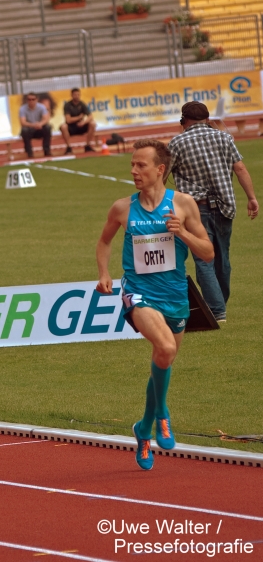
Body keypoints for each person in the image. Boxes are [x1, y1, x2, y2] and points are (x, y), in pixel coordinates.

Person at [96, 139, 213, 470]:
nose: (133, 170)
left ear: (160, 170)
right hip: (138, 291)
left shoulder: (184, 205)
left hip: (175, 295)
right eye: (132, 165)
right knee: (163, 347)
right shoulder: (122, 208)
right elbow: (104, 241)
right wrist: (104, 273)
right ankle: (162, 413)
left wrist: (182, 234)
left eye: (140, 165)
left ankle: (143, 428)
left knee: (164, 357)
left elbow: (207, 252)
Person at [168, 101, 259, 323]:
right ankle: (219, 303)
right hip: (225, 206)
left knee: (203, 259)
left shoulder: (177, 142)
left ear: (184, 121)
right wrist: (252, 198)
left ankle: (217, 310)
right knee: (222, 258)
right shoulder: (225, 137)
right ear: (207, 119)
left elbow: (163, 173)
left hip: (195, 208)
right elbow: (240, 168)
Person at [60, 87, 96, 154]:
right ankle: (68, 147)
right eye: (75, 95)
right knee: (63, 126)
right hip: (71, 127)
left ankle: (88, 146)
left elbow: (90, 116)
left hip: (81, 126)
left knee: (93, 123)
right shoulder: (67, 105)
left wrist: (84, 122)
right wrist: (79, 118)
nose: (77, 96)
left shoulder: (82, 104)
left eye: (78, 95)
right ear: (72, 95)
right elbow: (68, 120)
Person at [19, 92, 51, 158]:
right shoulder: (22, 109)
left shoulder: (42, 107)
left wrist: (40, 124)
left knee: (48, 127)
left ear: (37, 99)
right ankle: (29, 152)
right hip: (29, 129)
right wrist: (33, 125)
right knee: (24, 130)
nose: (31, 101)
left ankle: (47, 150)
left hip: (39, 129)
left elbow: (46, 119)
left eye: (33, 99)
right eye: (29, 99)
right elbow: (23, 122)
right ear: (26, 100)